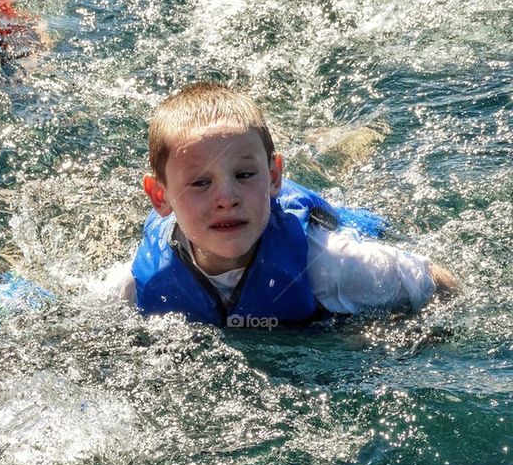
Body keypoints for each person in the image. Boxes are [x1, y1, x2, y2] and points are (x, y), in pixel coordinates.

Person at [126, 82, 456, 327]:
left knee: (349, 173)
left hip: (349, 223)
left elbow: (440, 284)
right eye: (200, 183)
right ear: (160, 197)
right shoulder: (140, 281)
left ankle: (365, 135)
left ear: (272, 178)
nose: (227, 198)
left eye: (244, 174)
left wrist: (403, 335)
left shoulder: (327, 262)